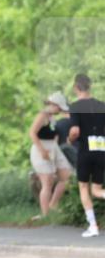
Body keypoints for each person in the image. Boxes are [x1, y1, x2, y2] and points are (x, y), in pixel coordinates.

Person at [67, 74, 105, 238]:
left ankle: (93, 226)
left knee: (83, 187)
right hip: (101, 150)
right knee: (97, 190)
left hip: (85, 151)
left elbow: (75, 131)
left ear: (76, 87)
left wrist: (69, 140)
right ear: (89, 86)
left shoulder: (75, 106)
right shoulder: (102, 105)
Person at [28, 91, 73, 220]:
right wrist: (42, 151)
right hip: (41, 147)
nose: (60, 111)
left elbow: (54, 133)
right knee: (47, 182)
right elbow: (32, 133)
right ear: (53, 105)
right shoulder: (42, 115)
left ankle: (53, 204)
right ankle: (45, 214)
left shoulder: (52, 117)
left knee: (66, 176)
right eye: (59, 108)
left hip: (53, 147)